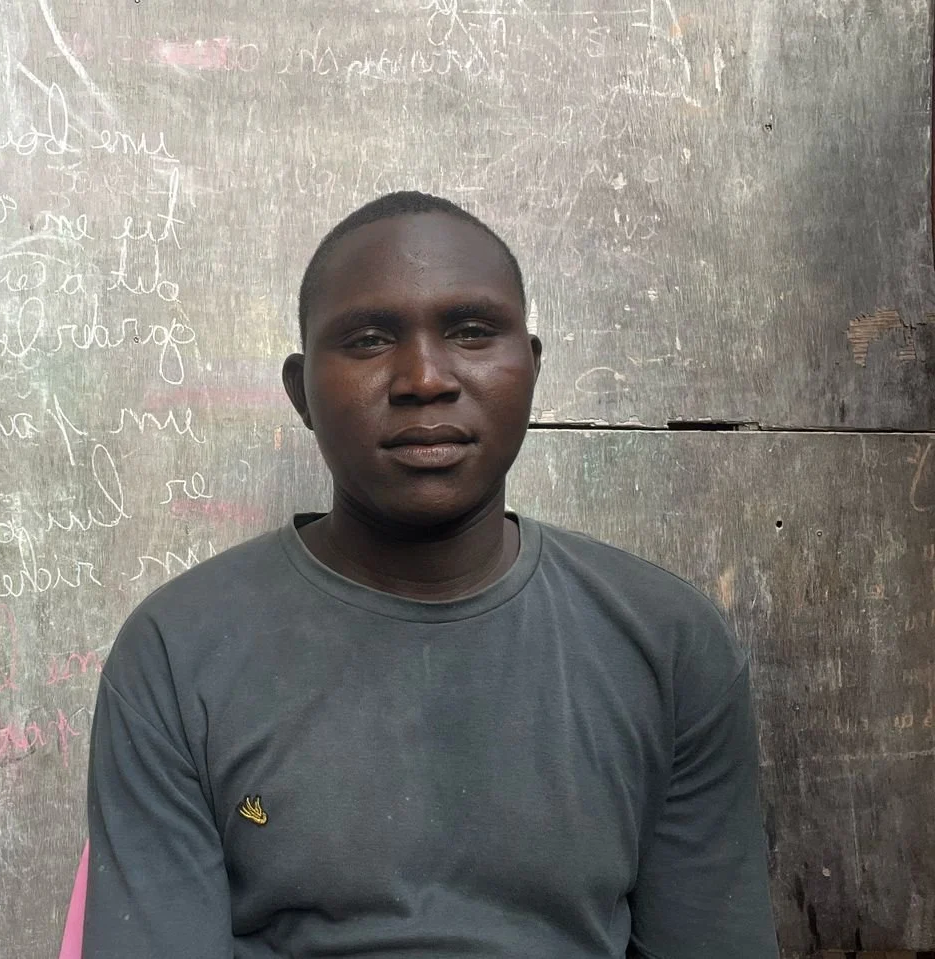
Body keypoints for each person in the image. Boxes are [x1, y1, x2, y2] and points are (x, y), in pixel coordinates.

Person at [82, 190, 779, 957]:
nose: (424, 377)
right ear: (300, 390)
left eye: (472, 332)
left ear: (532, 368)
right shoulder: (178, 653)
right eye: (370, 339)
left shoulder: (667, 645)